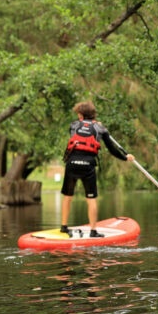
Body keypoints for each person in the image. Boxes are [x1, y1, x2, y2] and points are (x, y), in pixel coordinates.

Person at [60, 101, 134, 238]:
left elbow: (80, 130)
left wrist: (89, 123)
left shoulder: (73, 125)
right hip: (88, 165)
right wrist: (125, 157)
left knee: (67, 196)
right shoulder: (101, 129)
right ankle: (93, 231)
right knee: (91, 198)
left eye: (78, 113)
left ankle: (64, 227)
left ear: (80, 115)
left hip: (72, 164)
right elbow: (112, 149)